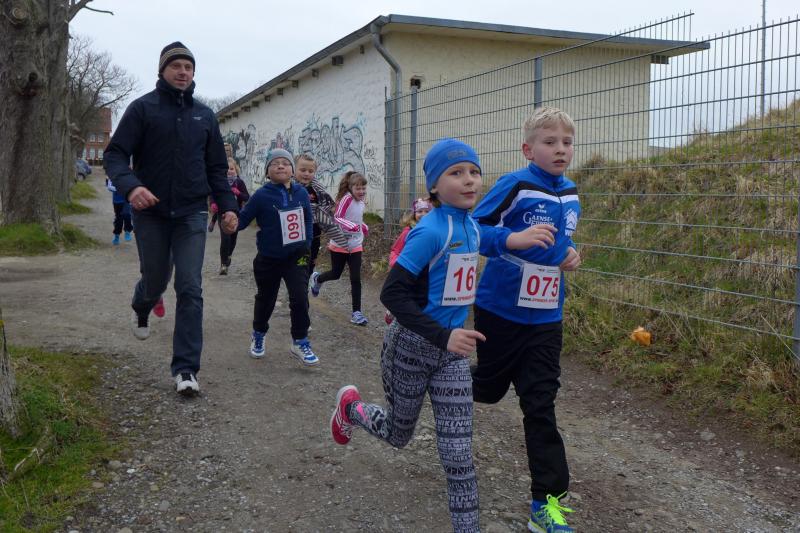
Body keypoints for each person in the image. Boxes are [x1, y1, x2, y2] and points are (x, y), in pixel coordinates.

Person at [330, 138, 487, 532]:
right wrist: (442, 335)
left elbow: (498, 240)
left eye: (474, 171)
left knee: (458, 456)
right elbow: (392, 294)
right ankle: (350, 409)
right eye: (456, 173)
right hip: (410, 349)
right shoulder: (429, 231)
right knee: (398, 434)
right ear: (434, 186)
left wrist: (551, 252)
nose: (469, 180)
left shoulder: (472, 226)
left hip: (451, 357)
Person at [104, 41, 239, 396]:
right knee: (156, 279)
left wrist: (228, 207)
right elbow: (115, 155)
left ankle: (186, 369)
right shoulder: (142, 109)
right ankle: (142, 304)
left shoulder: (205, 116)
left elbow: (216, 168)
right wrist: (132, 187)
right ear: (162, 70)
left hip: (192, 212)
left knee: (190, 286)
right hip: (151, 213)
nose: (183, 72)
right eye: (176, 66)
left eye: (188, 67)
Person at [470, 107, 581, 533]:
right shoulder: (515, 185)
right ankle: (436, 376)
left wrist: (569, 255)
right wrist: (512, 238)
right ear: (528, 149)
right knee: (488, 390)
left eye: (566, 142)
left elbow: (560, 243)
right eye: (550, 142)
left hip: (547, 317)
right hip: (500, 312)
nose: (560, 149)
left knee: (540, 405)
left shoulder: (570, 191)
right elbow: (471, 230)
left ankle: (545, 506)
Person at [236, 148, 318, 365]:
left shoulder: (301, 193)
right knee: (266, 299)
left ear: (292, 170)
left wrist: (307, 244)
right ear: (267, 171)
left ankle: (300, 341)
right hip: (268, 258)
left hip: (297, 256)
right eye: (274, 163)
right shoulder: (261, 196)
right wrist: (230, 221)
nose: (280, 166)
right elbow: (242, 220)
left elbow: (308, 219)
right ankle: (259, 334)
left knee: (299, 296)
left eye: (285, 163)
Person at [308, 171, 369, 325]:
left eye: (363, 188)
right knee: (336, 274)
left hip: (355, 245)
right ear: (351, 188)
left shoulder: (362, 201)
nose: (361, 191)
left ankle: (356, 313)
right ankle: (317, 278)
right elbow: (338, 218)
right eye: (358, 188)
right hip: (340, 243)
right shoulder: (346, 199)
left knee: (356, 278)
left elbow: (356, 218)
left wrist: (363, 226)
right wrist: (352, 226)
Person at [293, 154, 348, 277]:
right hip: (296, 235)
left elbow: (326, 207)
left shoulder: (317, 189)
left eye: (310, 171)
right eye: (303, 170)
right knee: (298, 265)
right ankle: (299, 282)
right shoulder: (289, 188)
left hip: (314, 235)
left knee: (309, 262)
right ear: (294, 170)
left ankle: (305, 280)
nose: (306, 174)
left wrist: (333, 209)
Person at [384, 197, 432, 324]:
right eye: (419, 211)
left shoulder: (434, 231)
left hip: (423, 273)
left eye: (427, 211)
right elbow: (395, 250)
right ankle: (392, 312)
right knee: (403, 294)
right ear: (414, 214)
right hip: (407, 270)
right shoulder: (408, 231)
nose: (423, 214)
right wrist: (396, 264)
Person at [209, 157, 250, 275]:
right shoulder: (219, 182)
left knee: (233, 238)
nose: (229, 171)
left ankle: (229, 255)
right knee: (225, 238)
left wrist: (239, 193)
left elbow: (247, 197)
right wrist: (213, 203)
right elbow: (212, 194)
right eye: (226, 169)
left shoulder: (239, 182)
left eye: (231, 169)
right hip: (222, 214)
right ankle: (223, 264)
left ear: (236, 170)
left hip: (237, 214)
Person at [106, 177, 133, 245]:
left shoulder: (129, 174)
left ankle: (127, 231)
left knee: (127, 215)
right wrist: (120, 189)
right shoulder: (112, 175)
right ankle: (116, 235)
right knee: (119, 218)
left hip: (127, 199)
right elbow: (109, 187)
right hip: (117, 200)